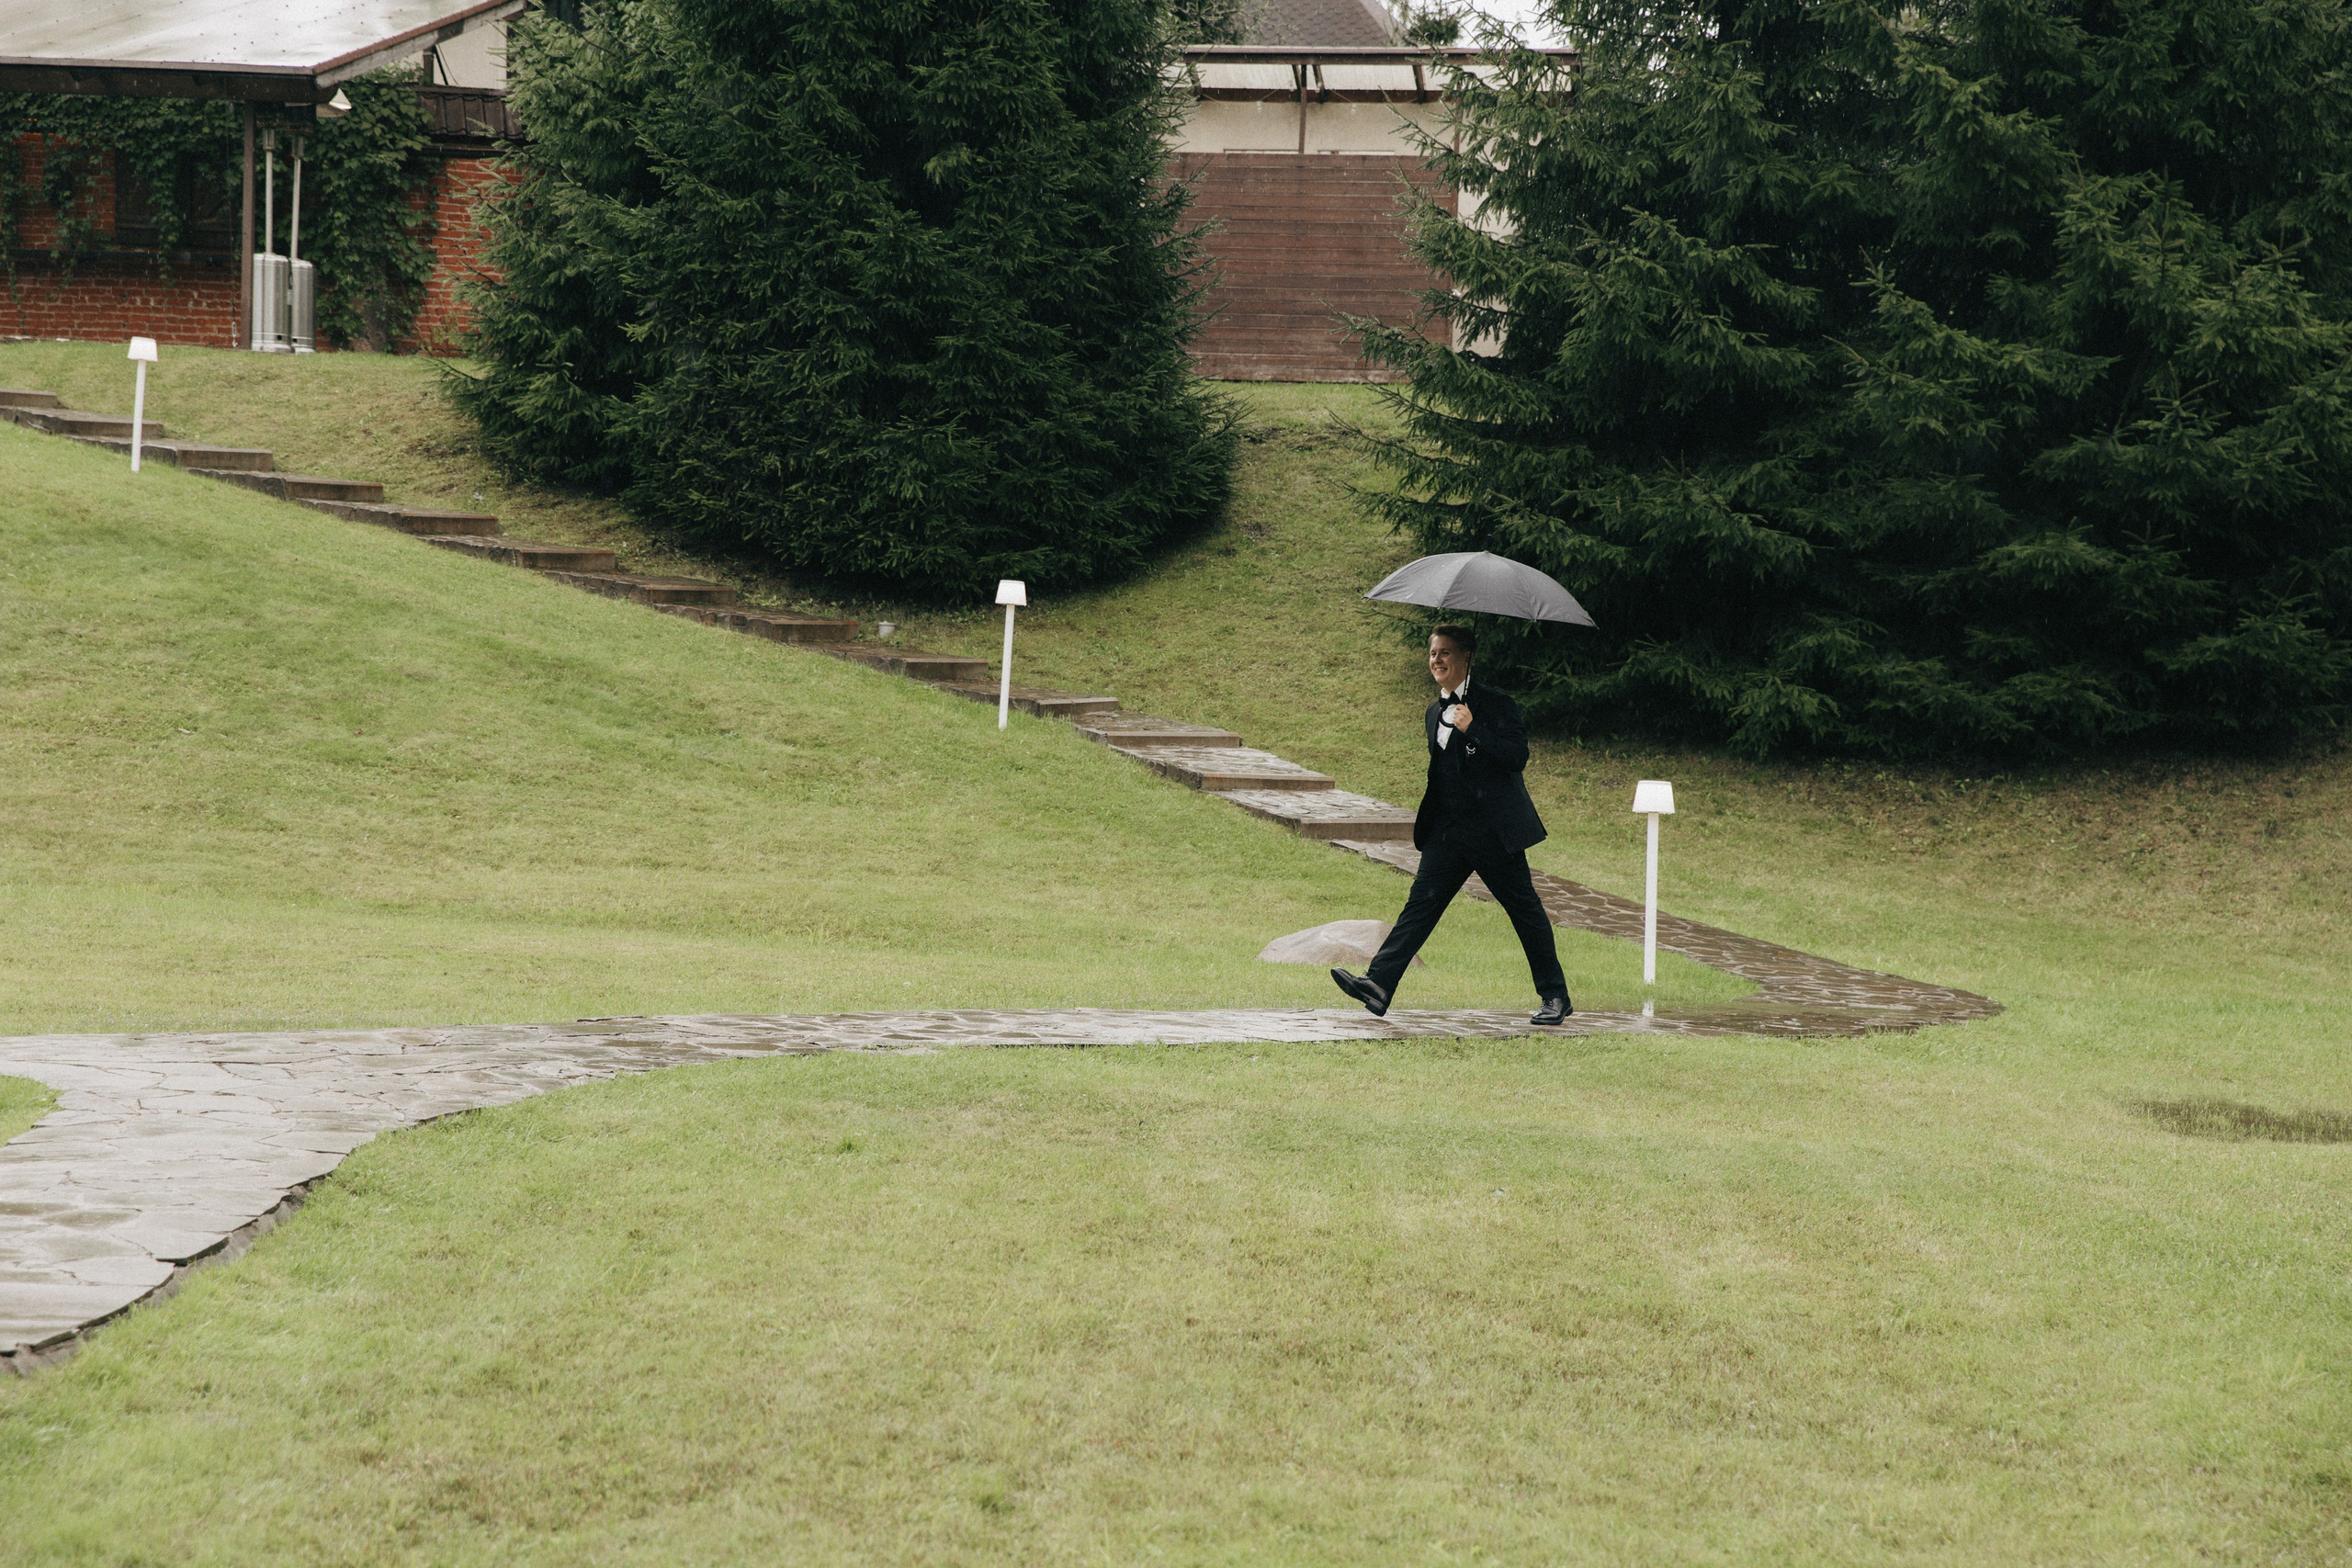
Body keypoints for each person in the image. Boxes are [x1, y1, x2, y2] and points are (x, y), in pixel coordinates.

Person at [1330, 624, 1572, 1025]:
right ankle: (1378, 984)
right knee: (1420, 907)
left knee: (1524, 910)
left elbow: (1516, 757)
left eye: (1445, 653)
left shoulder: (1496, 704)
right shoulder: (1433, 712)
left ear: (1466, 657)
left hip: (1492, 831)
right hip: (1446, 831)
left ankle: (1555, 996)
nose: (1436, 660)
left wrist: (1473, 728)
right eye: (1432, 653)